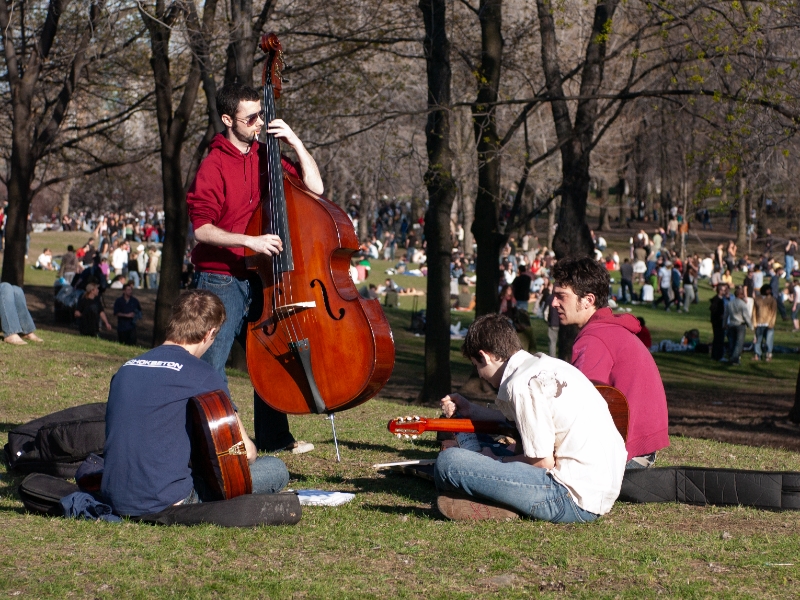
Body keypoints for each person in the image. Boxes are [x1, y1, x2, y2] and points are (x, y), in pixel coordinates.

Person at [186, 82, 323, 454]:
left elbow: (316, 188)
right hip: (222, 276)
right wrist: (250, 241)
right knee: (213, 364)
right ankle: (226, 439)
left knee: (269, 360)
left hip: (261, 276)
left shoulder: (267, 155)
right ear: (229, 120)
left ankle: (276, 439)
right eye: (251, 118)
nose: (260, 123)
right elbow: (201, 229)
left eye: (262, 115)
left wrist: (294, 141)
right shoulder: (213, 165)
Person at [101, 289, 289, 517]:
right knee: (276, 469)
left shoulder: (126, 368)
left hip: (112, 495)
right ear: (209, 334)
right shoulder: (203, 374)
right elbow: (246, 453)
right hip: (166, 500)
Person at [433, 314, 627, 522]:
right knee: (484, 450)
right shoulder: (544, 365)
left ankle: (506, 503)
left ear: (485, 356)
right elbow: (519, 423)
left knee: (449, 462)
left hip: (570, 497)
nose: (480, 375)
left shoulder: (521, 384)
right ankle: (505, 502)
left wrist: (495, 460)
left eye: (477, 365)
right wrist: (471, 409)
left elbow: (542, 462)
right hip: (599, 491)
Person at [550, 257, 669, 469]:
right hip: (642, 450)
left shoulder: (594, 338)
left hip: (628, 457)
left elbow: (577, 409)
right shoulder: (609, 329)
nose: (554, 303)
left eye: (561, 296)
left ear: (588, 300)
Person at [723, 285, 753, 365]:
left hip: (732, 324)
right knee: (739, 343)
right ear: (740, 295)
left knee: (732, 341)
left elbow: (726, 315)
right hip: (740, 324)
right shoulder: (743, 304)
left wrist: (724, 324)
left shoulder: (729, 303)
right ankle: (735, 358)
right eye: (742, 294)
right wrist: (751, 326)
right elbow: (746, 316)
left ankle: (731, 355)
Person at [752, 284, 777, 362]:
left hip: (768, 323)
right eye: (768, 290)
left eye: (770, 290)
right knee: (758, 340)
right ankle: (757, 355)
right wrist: (754, 322)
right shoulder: (757, 299)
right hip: (759, 323)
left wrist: (771, 323)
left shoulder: (772, 300)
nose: (769, 291)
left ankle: (768, 354)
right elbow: (754, 311)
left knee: (768, 341)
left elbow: (774, 312)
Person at [710, 284, 729, 361]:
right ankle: (719, 356)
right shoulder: (717, 300)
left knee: (717, 339)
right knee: (719, 339)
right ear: (720, 291)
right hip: (718, 322)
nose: (725, 292)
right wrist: (720, 316)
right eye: (724, 290)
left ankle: (715, 355)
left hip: (717, 321)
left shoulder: (719, 299)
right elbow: (713, 309)